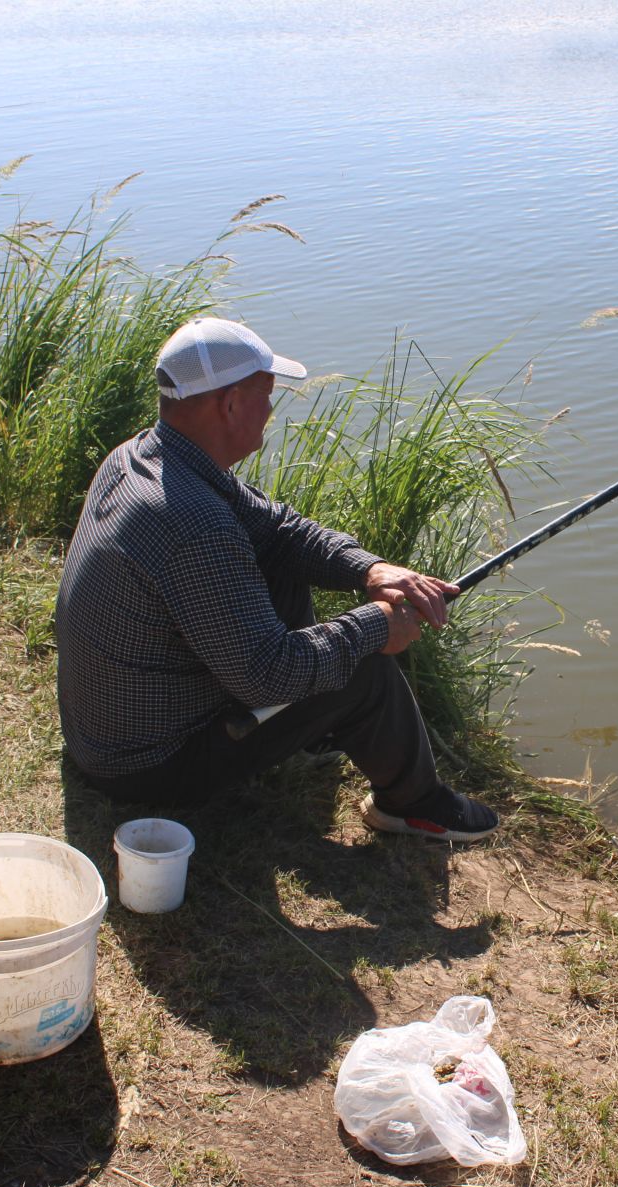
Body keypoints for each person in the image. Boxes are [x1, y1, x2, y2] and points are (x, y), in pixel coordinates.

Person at [55, 316, 500, 843]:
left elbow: (281, 531)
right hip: (145, 767)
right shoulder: (194, 525)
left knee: (280, 562)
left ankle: (308, 732)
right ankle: (414, 806)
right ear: (230, 404)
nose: (271, 409)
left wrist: (371, 569)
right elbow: (267, 675)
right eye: (267, 394)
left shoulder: (145, 460)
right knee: (364, 671)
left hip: (105, 735)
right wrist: (378, 626)